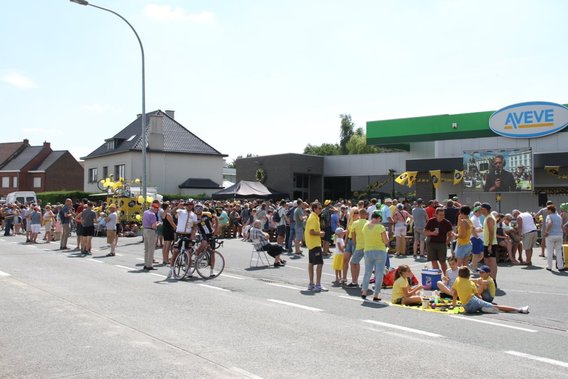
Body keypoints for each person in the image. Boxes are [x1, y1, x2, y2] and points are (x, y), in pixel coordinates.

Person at [452, 266, 528, 314]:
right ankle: (519, 309)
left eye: (482, 272)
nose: (480, 273)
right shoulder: (471, 283)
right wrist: (481, 299)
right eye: (480, 272)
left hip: (467, 308)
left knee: (480, 304)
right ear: (468, 275)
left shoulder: (457, 280)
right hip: (473, 301)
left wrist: (454, 305)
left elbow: (454, 293)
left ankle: (483, 308)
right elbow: (478, 295)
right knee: (496, 306)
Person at [360, 210, 389, 301]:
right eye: (380, 219)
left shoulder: (365, 226)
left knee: (367, 272)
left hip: (368, 250)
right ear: (378, 218)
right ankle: (376, 294)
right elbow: (386, 241)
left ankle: (364, 292)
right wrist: (387, 234)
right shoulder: (380, 227)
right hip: (380, 251)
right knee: (379, 273)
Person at [167, 201, 197, 278]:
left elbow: (194, 227)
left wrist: (192, 236)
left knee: (189, 252)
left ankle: (189, 269)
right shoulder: (180, 211)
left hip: (188, 234)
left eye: (190, 205)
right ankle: (171, 269)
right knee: (176, 251)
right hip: (179, 234)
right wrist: (178, 206)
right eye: (187, 204)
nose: (188, 206)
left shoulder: (194, 215)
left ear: (192, 206)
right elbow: (172, 212)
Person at [305, 201, 328, 292]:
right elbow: (311, 231)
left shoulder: (314, 217)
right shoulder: (313, 218)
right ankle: (317, 285)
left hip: (312, 244)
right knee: (319, 263)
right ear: (314, 209)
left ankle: (311, 284)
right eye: (319, 208)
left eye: (321, 208)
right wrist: (320, 233)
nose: (321, 210)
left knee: (311, 263)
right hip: (314, 244)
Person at [424, 208, 454, 273]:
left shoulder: (447, 223)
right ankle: (437, 275)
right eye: (440, 215)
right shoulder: (431, 221)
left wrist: (446, 243)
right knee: (433, 260)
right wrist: (432, 233)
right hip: (431, 243)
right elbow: (425, 232)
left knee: (442, 261)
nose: (442, 216)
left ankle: (446, 276)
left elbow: (450, 235)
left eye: (443, 215)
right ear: (436, 214)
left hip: (442, 244)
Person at [194, 203, 219, 277]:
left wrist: (216, 229)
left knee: (212, 252)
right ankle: (196, 256)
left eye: (200, 208)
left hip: (210, 233)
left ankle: (212, 271)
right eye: (197, 209)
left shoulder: (207, 214)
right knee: (204, 243)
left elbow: (216, 218)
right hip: (202, 234)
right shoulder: (194, 216)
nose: (198, 210)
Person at [348, 208, 368, 288]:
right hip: (369, 246)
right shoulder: (369, 223)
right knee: (368, 265)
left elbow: (353, 237)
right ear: (366, 215)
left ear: (359, 215)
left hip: (359, 246)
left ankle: (354, 281)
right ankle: (365, 282)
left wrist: (355, 245)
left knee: (353, 263)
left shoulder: (355, 223)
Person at [480, 203, 498, 284]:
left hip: (490, 243)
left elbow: (491, 232)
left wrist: (490, 245)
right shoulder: (487, 217)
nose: (480, 210)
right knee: (487, 261)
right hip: (487, 243)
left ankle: (493, 280)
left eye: (481, 209)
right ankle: (490, 279)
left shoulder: (489, 218)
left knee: (491, 262)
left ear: (485, 209)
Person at [544, 204, 565, 272]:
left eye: (547, 209)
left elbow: (550, 223)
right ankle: (560, 266)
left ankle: (549, 266)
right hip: (559, 234)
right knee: (558, 251)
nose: (546, 211)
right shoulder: (559, 216)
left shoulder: (549, 216)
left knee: (550, 251)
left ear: (550, 210)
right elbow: (561, 226)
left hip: (551, 235)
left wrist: (546, 231)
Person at [341, 208, 359, 284]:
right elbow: (348, 231)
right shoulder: (350, 220)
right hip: (349, 241)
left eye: (357, 212)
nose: (356, 214)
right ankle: (344, 277)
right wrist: (345, 242)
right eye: (355, 212)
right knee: (345, 260)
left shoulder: (359, 221)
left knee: (355, 262)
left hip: (356, 242)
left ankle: (355, 280)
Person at [142, 202, 160, 271]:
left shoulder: (145, 212)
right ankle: (149, 265)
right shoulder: (152, 214)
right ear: (154, 208)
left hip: (145, 230)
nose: (157, 210)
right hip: (151, 230)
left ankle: (145, 264)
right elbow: (153, 226)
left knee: (146, 249)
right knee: (151, 248)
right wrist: (158, 224)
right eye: (156, 209)